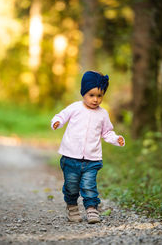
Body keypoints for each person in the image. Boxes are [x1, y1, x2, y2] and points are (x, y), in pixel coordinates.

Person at [51, 71, 125, 224]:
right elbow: (61, 116)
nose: (96, 99)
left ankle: (92, 209)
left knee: (89, 186)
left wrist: (116, 139)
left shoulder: (103, 114)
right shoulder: (75, 108)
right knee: (71, 186)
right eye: (91, 95)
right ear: (84, 92)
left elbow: (107, 132)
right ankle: (72, 207)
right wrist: (56, 122)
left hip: (92, 159)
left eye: (100, 96)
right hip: (71, 157)